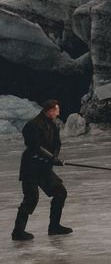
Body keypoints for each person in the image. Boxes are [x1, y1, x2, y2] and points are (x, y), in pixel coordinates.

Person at [11, 100, 73, 241]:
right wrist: (52, 158)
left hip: (44, 169)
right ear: (49, 110)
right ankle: (18, 232)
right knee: (31, 199)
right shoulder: (32, 125)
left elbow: (57, 144)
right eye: (56, 110)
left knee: (60, 192)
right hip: (30, 168)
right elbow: (35, 147)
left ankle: (54, 227)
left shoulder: (54, 125)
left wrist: (55, 158)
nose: (58, 113)